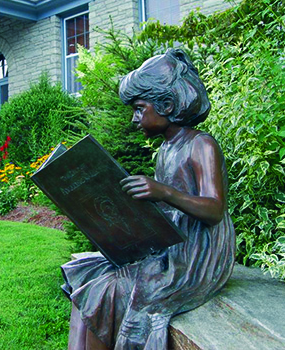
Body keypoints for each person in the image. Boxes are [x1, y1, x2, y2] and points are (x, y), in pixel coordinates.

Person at [61, 48, 236, 350]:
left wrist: (164, 192)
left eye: (139, 109)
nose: (134, 119)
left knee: (109, 290)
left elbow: (215, 209)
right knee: (89, 278)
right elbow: (166, 209)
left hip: (197, 252)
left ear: (167, 105)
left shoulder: (201, 145)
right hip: (171, 243)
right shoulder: (167, 150)